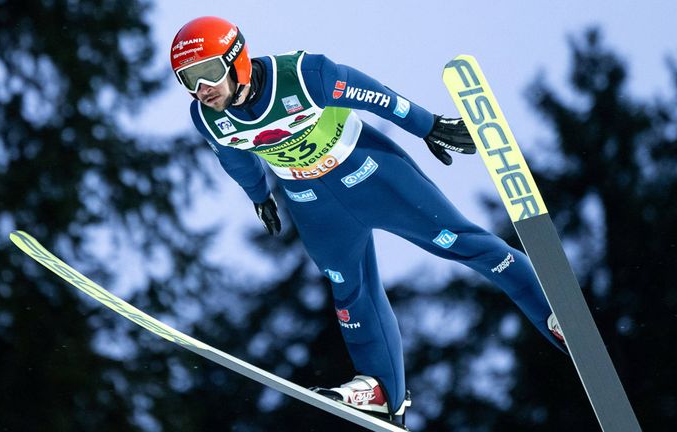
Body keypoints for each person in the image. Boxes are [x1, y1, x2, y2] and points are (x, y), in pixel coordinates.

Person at [170, 16, 566, 427]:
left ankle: (553, 313)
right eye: (188, 80)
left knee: (461, 242)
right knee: (349, 292)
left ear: (237, 60)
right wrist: (260, 197)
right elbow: (235, 157)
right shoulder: (208, 118)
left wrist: (428, 126)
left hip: (371, 174)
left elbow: (375, 96)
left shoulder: (303, 75)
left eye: (208, 73)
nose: (202, 89)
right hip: (313, 203)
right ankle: (381, 391)